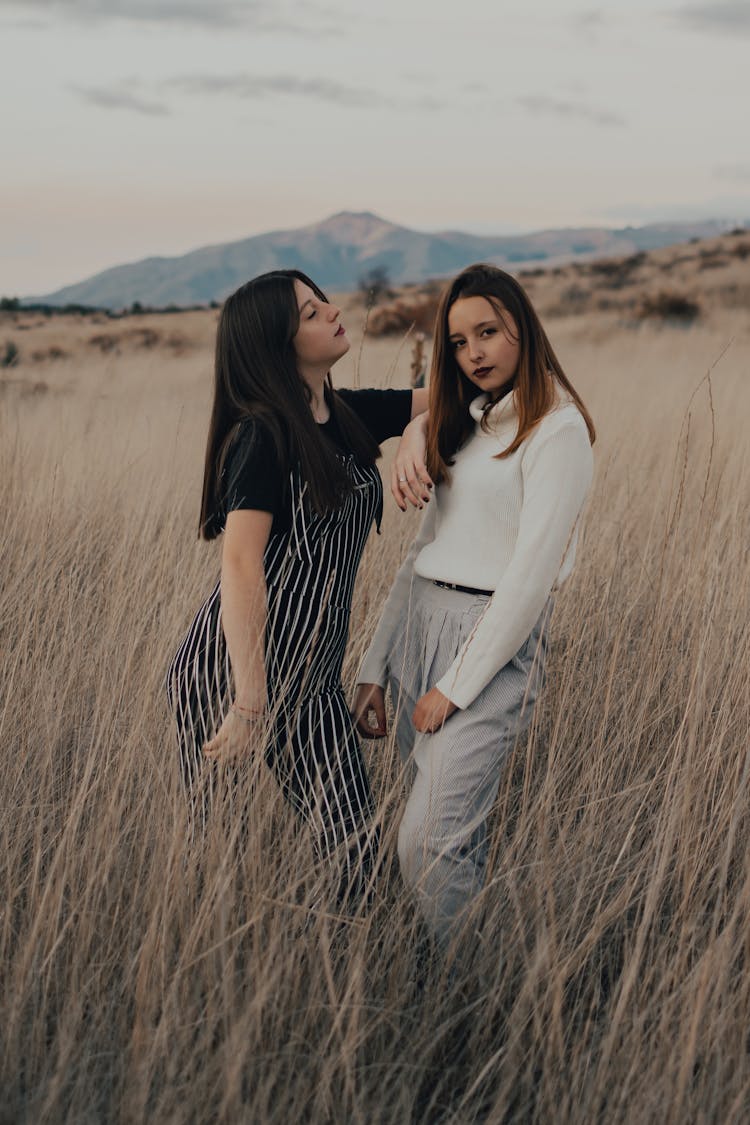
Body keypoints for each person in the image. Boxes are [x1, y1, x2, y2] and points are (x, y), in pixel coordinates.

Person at [353, 263, 595, 949]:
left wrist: (455, 688)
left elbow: (529, 577)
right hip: (420, 628)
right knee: (446, 840)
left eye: (487, 332)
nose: (474, 353)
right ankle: (458, 988)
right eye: (458, 343)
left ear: (524, 327)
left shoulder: (557, 431)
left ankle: (473, 1000)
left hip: (488, 646)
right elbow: (420, 552)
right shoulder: (465, 422)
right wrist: (375, 663)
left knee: (425, 844)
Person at [165, 269, 429, 898]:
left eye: (321, 302)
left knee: (355, 854)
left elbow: (448, 395)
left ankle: (348, 977)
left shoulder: (348, 414)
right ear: (278, 344)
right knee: (217, 855)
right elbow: (240, 564)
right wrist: (251, 701)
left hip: (309, 679)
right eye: (310, 313)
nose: (332, 311)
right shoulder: (264, 433)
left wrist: (417, 430)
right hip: (226, 675)